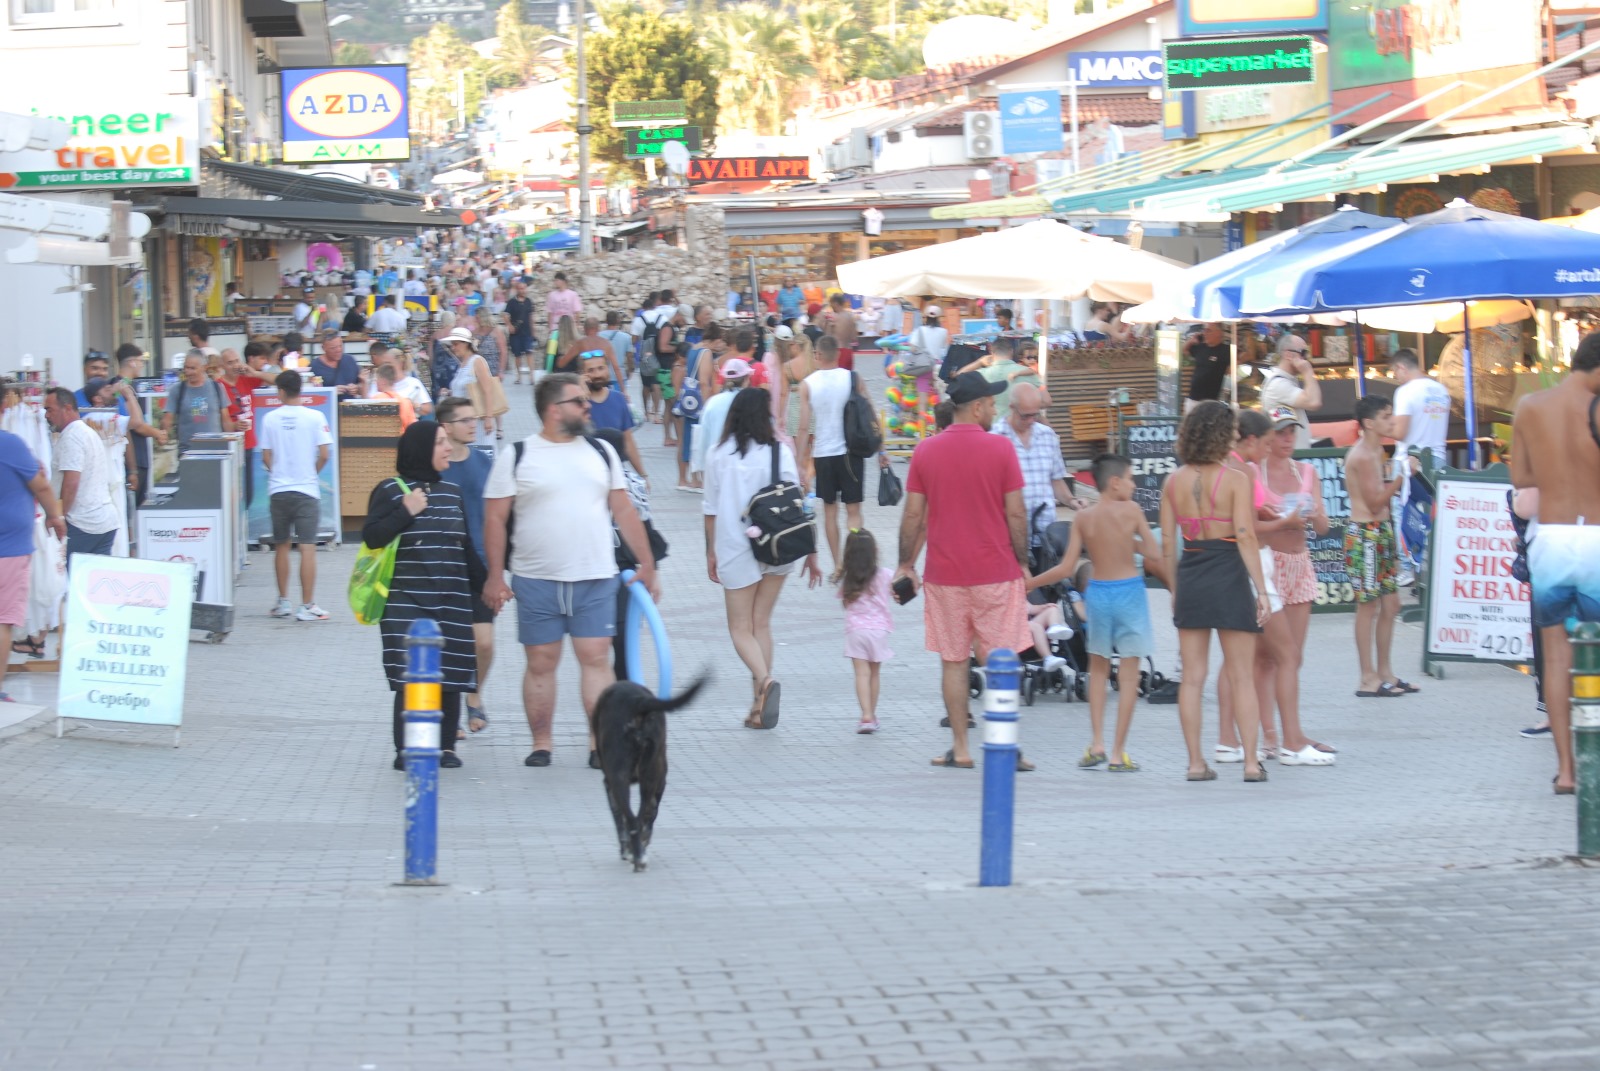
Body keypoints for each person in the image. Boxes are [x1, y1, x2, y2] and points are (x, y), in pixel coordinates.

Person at [482, 373, 659, 769]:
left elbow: (624, 510)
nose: (587, 406)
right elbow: (494, 519)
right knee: (541, 662)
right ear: (553, 409)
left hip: (595, 576)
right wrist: (495, 576)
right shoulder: (518, 455)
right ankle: (541, 742)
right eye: (578, 401)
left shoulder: (601, 452)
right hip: (536, 577)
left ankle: (599, 744)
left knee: (596, 659)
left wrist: (647, 563)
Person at [894, 371, 1035, 772]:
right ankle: (1005, 745)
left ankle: (960, 747)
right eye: (991, 404)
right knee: (1001, 660)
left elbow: (913, 515)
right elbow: (1016, 512)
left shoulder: (926, 452)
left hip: (945, 576)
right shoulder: (1001, 450)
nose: (995, 409)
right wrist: (1022, 560)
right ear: (976, 407)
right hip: (997, 572)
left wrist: (906, 563)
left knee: (954, 662)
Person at [1029, 453, 1164, 772]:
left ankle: (1097, 744)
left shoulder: (1085, 518)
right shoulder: (1132, 511)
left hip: (1099, 595)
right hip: (1129, 593)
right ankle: (1118, 753)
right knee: (1128, 674)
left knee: (1098, 669)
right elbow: (1154, 553)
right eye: (1130, 479)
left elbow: (1065, 567)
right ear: (1115, 483)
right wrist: (1130, 542)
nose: (1133, 485)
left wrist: (1028, 583)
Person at [1159, 401, 1272, 783]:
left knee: (1192, 676)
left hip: (1192, 569)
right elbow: (1244, 535)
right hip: (1228, 572)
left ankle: (1195, 762)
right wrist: (1262, 589)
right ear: (1223, 435)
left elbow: (1167, 547)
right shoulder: (1237, 479)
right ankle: (1252, 763)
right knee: (1242, 675)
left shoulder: (1172, 481)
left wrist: (1175, 588)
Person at [1511, 331, 1600, 795]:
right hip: (1596, 538)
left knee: (1559, 658)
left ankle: (1567, 771)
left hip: (1550, 538)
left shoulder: (1531, 406)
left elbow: (1521, 476)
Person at [363, 422, 481, 771]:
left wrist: (492, 585)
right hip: (406, 600)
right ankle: (409, 748)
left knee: (452, 670)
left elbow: (467, 547)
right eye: (441, 442)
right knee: (412, 674)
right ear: (420, 448)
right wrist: (406, 510)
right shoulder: (389, 490)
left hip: (452, 597)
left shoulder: (453, 491)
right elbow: (372, 537)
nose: (448, 448)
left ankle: (444, 747)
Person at [703, 388, 823, 730]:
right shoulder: (779, 451)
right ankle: (757, 709)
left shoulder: (718, 454)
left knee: (740, 628)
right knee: (762, 623)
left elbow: (710, 510)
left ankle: (765, 682)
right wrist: (811, 552)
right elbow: (797, 502)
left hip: (734, 545)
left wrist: (709, 551)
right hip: (777, 546)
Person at [1252, 406, 1335, 765]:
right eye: (1281, 432)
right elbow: (1247, 526)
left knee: (1292, 657)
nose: (1287, 439)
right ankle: (1273, 735)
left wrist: (1314, 514)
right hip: (1269, 565)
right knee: (1266, 657)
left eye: (1292, 432)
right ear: (1267, 436)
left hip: (1299, 564)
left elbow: (1323, 528)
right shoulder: (1254, 472)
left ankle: (1291, 734)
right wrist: (1278, 519)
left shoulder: (1307, 471)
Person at [1343, 394, 1413, 699]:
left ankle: (1385, 672)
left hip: (1380, 530)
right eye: (1386, 416)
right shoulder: (1361, 455)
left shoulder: (1376, 451)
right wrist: (1401, 479)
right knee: (1367, 607)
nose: (1392, 421)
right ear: (1369, 423)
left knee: (1392, 604)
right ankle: (1367, 677)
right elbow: (1373, 503)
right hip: (1365, 534)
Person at [438, 396, 497, 735]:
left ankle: (474, 693)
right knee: (448, 642)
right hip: (445, 567)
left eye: (473, 419)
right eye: (464, 420)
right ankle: (452, 711)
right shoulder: (438, 465)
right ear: (446, 426)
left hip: (482, 566)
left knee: (484, 642)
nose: (472, 425)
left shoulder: (485, 461)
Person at [798, 335, 876, 579]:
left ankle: (838, 565)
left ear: (818, 355)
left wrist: (800, 464)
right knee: (854, 511)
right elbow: (870, 412)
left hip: (823, 454)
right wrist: (881, 449)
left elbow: (802, 427)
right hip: (850, 453)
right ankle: (857, 564)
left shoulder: (808, 384)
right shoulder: (852, 378)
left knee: (829, 512)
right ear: (838, 355)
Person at [257, 371, 332, 621]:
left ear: (280, 391)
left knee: (281, 545)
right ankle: (307, 604)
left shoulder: (269, 419)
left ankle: (283, 601)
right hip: (306, 490)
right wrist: (312, 472)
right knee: (307, 546)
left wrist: (277, 471)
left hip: (278, 490)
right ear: (302, 389)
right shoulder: (315, 416)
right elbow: (324, 454)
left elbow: (266, 457)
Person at [0, 424, 65, 701]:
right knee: (2, 622)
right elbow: (41, 484)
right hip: (8, 548)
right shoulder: (9, 444)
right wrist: (55, 516)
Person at [991, 382, 1079, 541]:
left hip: (1045, 533)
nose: (1031, 420)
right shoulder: (995, 438)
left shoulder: (1047, 435)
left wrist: (1072, 501)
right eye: (1025, 416)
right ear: (1012, 407)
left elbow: (1056, 481)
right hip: (1009, 534)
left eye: (1035, 415)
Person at [43, 389, 121, 563]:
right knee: (95, 582)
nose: (46, 415)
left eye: (50, 409)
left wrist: (59, 517)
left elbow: (71, 483)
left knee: (73, 583)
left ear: (67, 408)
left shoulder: (72, 437)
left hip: (83, 523)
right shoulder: (87, 433)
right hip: (103, 520)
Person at [838, 528, 893, 735]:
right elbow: (897, 589)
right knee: (874, 674)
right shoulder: (885, 574)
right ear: (875, 551)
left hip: (856, 632)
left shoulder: (848, 579)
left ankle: (866, 716)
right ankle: (873, 714)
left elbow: (846, 603)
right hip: (879, 631)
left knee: (861, 673)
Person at [581, 352, 647, 475]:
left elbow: (628, 441)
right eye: (591, 370)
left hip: (616, 473)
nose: (597, 374)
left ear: (608, 369)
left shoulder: (619, 399)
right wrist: (582, 392)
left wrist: (643, 475)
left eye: (601, 368)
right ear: (583, 374)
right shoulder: (578, 403)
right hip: (587, 473)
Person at [1257, 334, 1323, 449]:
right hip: (1287, 455)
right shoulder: (1278, 384)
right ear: (1288, 354)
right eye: (1303, 353)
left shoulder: (1286, 380)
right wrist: (1307, 371)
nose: (1306, 358)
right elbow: (1314, 402)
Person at [690, 355, 750, 482]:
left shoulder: (713, 402)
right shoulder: (750, 402)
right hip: (743, 463)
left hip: (716, 462)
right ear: (746, 379)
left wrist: (701, 465)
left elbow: (703, 436)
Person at [161, 351, 235, 452]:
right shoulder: (177, 390)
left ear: (204, 367)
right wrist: (163, 435)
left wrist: (230, 446)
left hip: (215, 450)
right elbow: (167, 419)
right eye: (186, 367)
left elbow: (226, 419)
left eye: (192, 368)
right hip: (187, 451)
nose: (188, 372)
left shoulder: (217, 387)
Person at [442, 326, 498, 448]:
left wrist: (488, 418)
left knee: (481, 451)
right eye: (452, 344)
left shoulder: (477, 361)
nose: (453, 348)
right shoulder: (462, 364)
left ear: (466, 344)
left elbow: (488, 390)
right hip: (463, 419)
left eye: (455, 344)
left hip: (478, 419)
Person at [654, 304, 690, 449]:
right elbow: (663, 347)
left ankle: (669, 437)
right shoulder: (668, 328)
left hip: (665, 370)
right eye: (685, 320)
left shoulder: (670, 327)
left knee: (669, 407)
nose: (685, 323)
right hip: (666, 371)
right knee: (674, 406)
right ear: (679, 316)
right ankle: (678, 438)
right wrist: (680, 347)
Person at [566, 317, 626, 389]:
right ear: (598, 329)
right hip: (601, 382)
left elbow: (565, 363)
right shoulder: (605, 343)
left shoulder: (579, 343)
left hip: (585, 383)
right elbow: (616, 368)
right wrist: (623, 390)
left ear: (584, 329)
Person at [1185, 323, 1230, 409]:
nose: (1205, 333)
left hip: (1210, 402)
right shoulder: (1201, 347)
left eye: (1208, 331)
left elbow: (1239, 360)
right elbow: (1185, 351)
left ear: (1219, 333)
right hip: (1193, 398)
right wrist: (1191, 341)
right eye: (1204, 330)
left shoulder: (1226, 350)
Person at [305, 331, 363, 397]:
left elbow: (361, 384)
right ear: (323, 348)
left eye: (340, 346)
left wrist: (356, 388)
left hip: (348, 404)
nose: (338, 350)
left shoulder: (349, 360)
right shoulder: (315, 367)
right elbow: (311, 394)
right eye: (333, 348)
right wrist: (332, 391)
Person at [504, 279, 535, 384]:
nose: (523, 290)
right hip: (516, 333)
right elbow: (505, 315)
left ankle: (532, 377)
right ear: (517, 289)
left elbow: (531, 317)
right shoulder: (512, 302)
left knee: (529, 353)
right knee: (517, 355)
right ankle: (519, 377)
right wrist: (509, 326)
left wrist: (533, 331)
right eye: (521, 288)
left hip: (527, 332)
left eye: (524, 288)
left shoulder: (529, 301)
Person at [823, 293, 859, 371]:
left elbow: (827, 336)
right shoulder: (850, 317)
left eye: (831, 304)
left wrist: (827, 325)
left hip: (838, 351)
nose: (831, 306)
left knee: (838, 378)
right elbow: (854, 337)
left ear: (835, 303)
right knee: (848, 378)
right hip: (849, 351)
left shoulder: (833, 317)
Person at [599, 311, 634, 382]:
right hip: (620, 375)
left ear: (606, 321)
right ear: (618, 321)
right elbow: (629, 357)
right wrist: (630, 370)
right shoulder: (626, 337)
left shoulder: (598, 336)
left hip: (602, 375)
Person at [545, 271, 583, 336]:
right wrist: (550, 328)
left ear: (563, 281)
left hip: (569, 326)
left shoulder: (572, 294)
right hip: (556, 326)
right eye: (555, 280)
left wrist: (577, 325)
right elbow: (550, 312)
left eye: (557, 280)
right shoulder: (552, 295)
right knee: (553, 345)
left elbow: (577, 312)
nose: (555, 282)